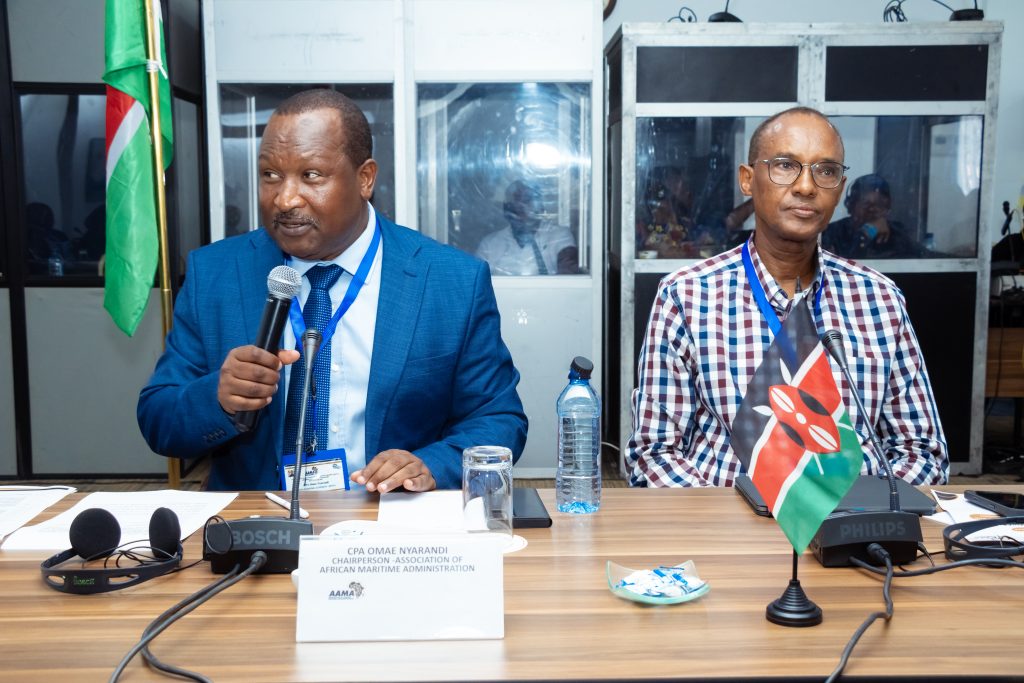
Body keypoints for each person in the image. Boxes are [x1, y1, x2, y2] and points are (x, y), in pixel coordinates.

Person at [138, 89, 528, 492]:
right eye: (270, 175)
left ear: (365, 178)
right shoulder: (215, 273)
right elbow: (157, 417)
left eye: (311, 176)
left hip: (388, 518)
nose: (284, 199)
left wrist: (430, 465)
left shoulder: (451, 281)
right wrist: (217, 398)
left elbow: (498, 419)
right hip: (258, 518)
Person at [627, 106, 948, 487]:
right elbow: (654, 455)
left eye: (825, 171)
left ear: (840, 188)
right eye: (785, 165)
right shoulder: (688, 296)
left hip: (852, 516)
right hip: (729, 516)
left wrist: (859, 509)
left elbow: (922, 452)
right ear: (747, 180)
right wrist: (732, 516)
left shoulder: (879, 300)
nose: (806, 187)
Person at [476, 179, 579, 275]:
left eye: (527, 200)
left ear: (541, 206)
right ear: (506, 209)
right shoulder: (489, 245)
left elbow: (569, 276)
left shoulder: (560, 235)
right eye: (515, 201)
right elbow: (476, 282)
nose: (521, 206)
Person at [821, 173, 917, 259]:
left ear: (887, 208)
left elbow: (918, 262)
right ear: (851, 205)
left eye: (879, 204)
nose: (872, 209)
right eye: (865, 203)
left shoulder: (898, 235)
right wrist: (868, 231)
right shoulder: (831, 233)